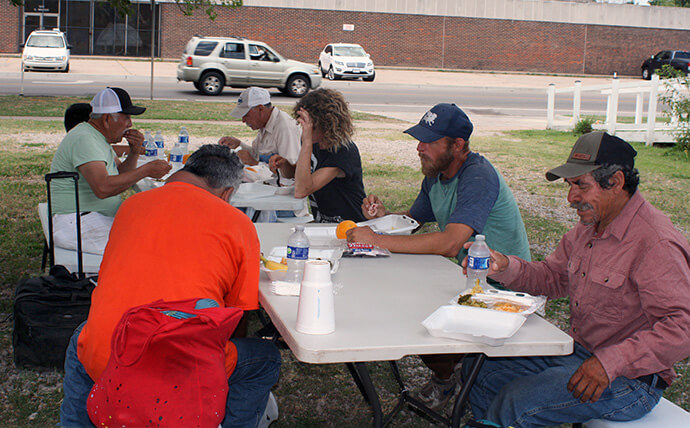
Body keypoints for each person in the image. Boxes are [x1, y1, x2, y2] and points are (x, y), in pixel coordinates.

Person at [460, 131, 690, 427]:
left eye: (581, 185)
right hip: (579, 354)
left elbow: (682, 327)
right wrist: (504, 266)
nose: (571, 198)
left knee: (519, 399)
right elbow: (553, 277)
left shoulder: (655, 242)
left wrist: (611, 363)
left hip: (631, 380)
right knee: (480, 367)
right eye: (570, 186)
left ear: (617, 182)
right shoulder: (589, 228)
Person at [60, 144, 281, 427]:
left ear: (186, 170)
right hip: (181, 367)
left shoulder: (130, 207)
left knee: (83, 336)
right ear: (227, 193)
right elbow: (237, 314)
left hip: (113, 352)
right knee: (266, 359)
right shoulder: (238, 224)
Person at [346, 103, 531, 410]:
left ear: (458, 146)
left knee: (418, 315)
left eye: (429, 141)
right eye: (420, 139)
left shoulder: (478, 176)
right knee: (404, 302)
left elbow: (449, 243)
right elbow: (413, 220)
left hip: (503, 289)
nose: (419, 147)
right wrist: (383, 216)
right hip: (468, 278)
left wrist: (377, 238)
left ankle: (452, 376)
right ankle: (452, 372)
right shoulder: (437, 173)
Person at [50, 87, 170, 254]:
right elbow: (103, 188)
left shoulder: (97, 137)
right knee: (146, 246)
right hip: (76, 222)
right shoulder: (85, 138)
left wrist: (134, 152)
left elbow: (120, 175)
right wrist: (146, 170)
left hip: (91, 218)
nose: (130, 124)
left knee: (154, 231)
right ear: (107, 119)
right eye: (126, 117)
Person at [272, 88, 366, 223]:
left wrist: (307, 143)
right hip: (324, 222)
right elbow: (300, 174)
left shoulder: (343, 151)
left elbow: (302, 190)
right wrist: (284, 165)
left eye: (309, 124)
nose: (304, 128)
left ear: (326, 124)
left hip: (348, 224)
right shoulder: (314, 143)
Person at [218, 86, 301, 169]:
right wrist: (239, 144)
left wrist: (253, 163)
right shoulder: (264, 123)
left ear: (260, 109)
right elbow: (258, 155)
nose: (243, 120)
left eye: (246, 115)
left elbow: (290, 173)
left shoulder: (285, 128)